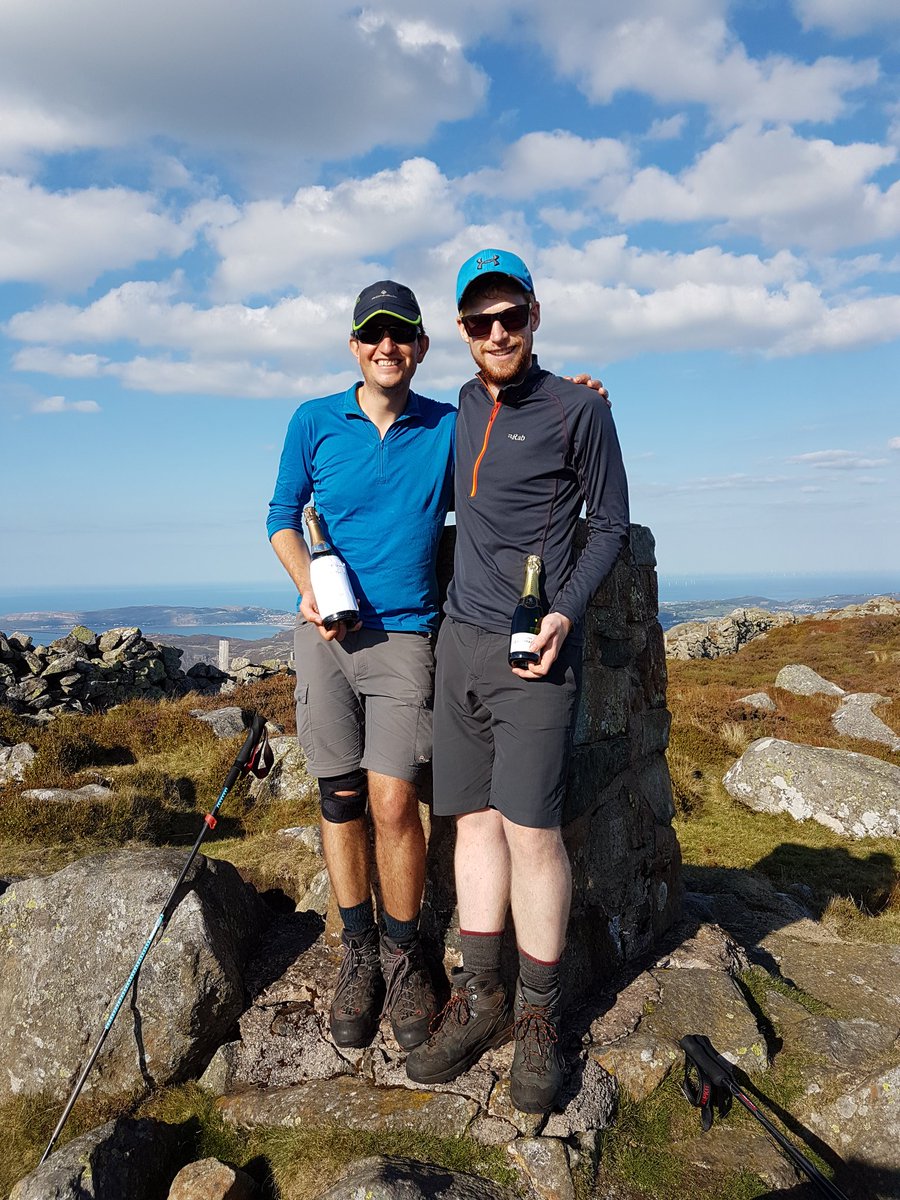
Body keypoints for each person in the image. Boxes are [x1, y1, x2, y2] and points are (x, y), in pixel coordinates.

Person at [406, 249, 630, 1113]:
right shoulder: (460, 405)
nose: (497, 333)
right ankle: (483, 993)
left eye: (512, 317)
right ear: (461, 333)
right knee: (472, 825)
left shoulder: (579, 411)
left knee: (534, 831)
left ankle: (539, 1018)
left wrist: (566, 613)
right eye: (479, 322)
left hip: (534, 652)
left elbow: (608, 524)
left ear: (534, 317)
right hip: (461, 643)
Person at [267, 281, 455, 1051]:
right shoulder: (313, 420)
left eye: (402, 335)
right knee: (338, 795)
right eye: (374, 335)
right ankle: (359, 953)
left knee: (392, 800)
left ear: (420, 345)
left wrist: (579, 396)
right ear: (354, 346)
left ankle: (407, 958)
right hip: (328, 636)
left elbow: (524, 424)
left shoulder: (447, 423)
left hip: (406, 636)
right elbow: (281, 516)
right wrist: (311, 589)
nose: (388, 347)